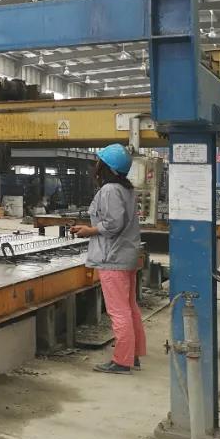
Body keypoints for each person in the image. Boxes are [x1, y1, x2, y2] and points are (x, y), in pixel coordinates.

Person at [70, 144, 146, 374]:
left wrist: (89, 231)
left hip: (112, 257)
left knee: (118, 310)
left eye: (99, 161)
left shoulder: (110, 190)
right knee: (129, 307)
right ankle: (132, 354)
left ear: (107, 167)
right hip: (125, 254)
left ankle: (122, 362)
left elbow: (113, 224)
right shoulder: (126, 189)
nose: (96, 165)